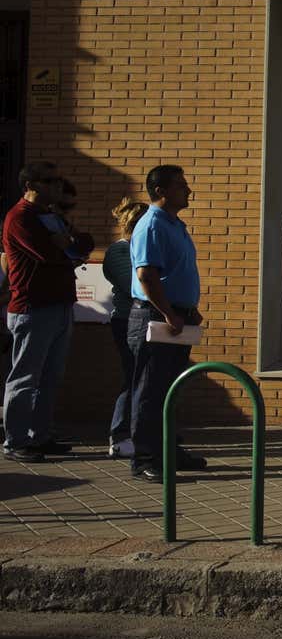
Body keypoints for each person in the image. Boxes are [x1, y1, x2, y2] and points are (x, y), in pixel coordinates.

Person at [2, 162, 91, 463]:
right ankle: (15, 440)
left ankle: (40, 435)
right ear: (32, 185)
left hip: (60, 304)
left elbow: (80, 247)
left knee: (50, 377)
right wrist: (66, 248)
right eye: (51, 181)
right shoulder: (19, 218)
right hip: (33, 307)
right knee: (25, 377)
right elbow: (50, 254)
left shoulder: (50, 216)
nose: (58, 187)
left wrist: (69, 245)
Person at [127, 165, 205, 481]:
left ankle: (169, 450)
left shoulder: (175, 225)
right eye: (180, 185)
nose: (187, 190)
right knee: (150, 388)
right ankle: (145, 458)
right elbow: (146, 275)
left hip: (177, 315)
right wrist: (170, 312)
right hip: (156, 317)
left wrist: (188, 309)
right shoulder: (152, 225)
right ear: (161, 191)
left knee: (171, 388)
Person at [105, 196, 148, 459]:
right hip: (126, 320)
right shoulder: (120, 251)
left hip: (142, 319)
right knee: (133, 376)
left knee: (144, 377)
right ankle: (119, 434)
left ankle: (142, 430)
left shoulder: (139, 250)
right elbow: (134, 285)